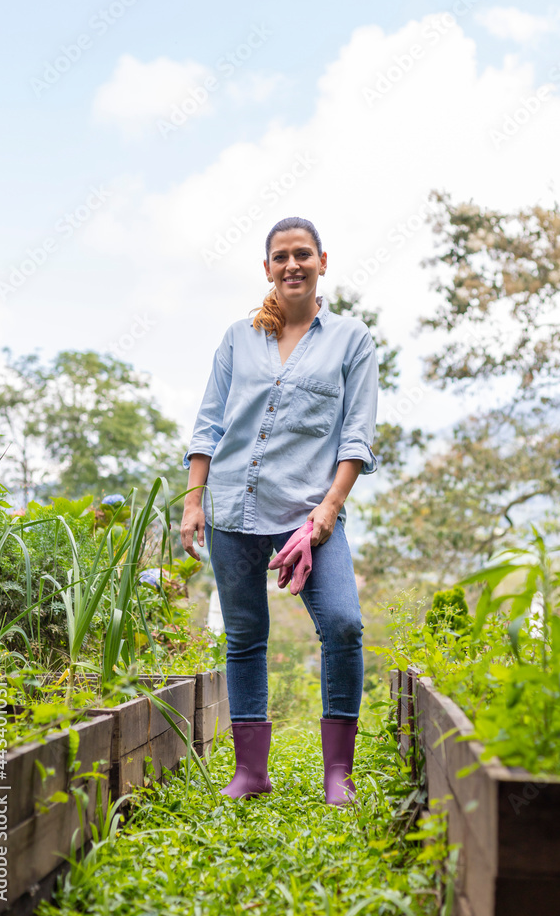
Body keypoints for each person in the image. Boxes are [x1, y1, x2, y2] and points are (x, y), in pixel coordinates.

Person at [180, 216, 379, 806]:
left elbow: (358, 436)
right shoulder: (238, 338)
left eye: (303, 254)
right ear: (267, 268)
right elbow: (210, 422)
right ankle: (250, 772)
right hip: (231, 508)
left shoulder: (352, 340)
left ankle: (337, 772)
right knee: (244, 634)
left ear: (323, 261)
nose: (292, 264)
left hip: (307, 515)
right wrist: (194, 500)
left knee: (342, 624)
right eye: (280, 256)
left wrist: (326, 513)